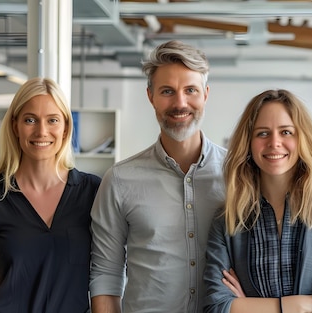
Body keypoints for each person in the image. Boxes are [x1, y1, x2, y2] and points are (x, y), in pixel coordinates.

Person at [89, 40, 226, 313]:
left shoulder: (239, 173)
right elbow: (106, 274)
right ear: (150, 95)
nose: (180, 103)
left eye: (190, 90)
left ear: (206, 94)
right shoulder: (119, 180)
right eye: (167, 91)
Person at [203, 89, 312, 313]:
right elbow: (216, 307)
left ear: (302, 139)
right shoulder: (226, 220)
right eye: (262, 133)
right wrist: (298, 305)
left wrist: (245, 306)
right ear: (248, 143)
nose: (274, 142)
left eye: (286, 132)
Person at [0, 77, 102, 312]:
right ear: (15, 125)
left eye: (52, 120)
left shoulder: (92, 192)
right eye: (30, 120)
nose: (41, 131)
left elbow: (107, 271)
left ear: (65, 126)